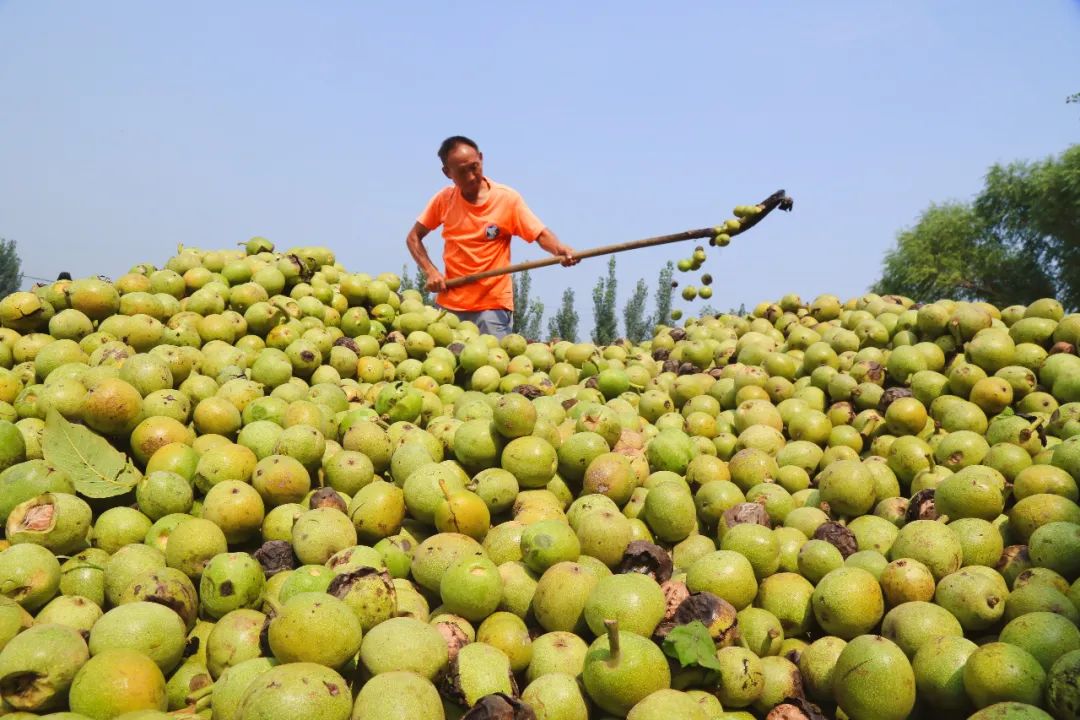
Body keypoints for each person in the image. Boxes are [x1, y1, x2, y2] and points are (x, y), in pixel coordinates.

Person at [405, 136, 578, 339]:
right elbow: (413, 237)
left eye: (474, 167)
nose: (471, 177)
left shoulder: (506, 199)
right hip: (449, 307)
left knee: (492, 367)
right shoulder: (444, 200)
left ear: (481, 158)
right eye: (461, 172)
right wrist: (431, 272)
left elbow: (540, 234)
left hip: (492, 308)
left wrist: (559, 250)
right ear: (447, 173)